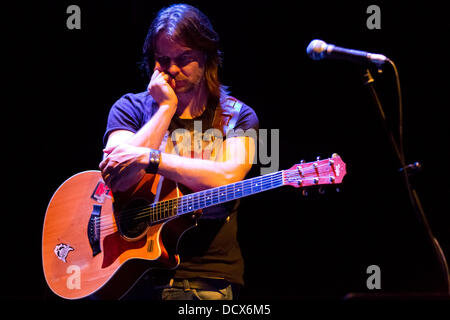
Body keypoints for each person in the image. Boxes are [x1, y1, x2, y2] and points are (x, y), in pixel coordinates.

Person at [99, 3, 259, 300]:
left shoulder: (237, 116)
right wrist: (165, 109)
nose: (172, 69)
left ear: (207, 58)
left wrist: (151, 159)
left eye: (184, 59)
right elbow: (116, 176)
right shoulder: (130, 108)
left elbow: (226, 177)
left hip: (203, 278)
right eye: (163, 60)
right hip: (124, 271)